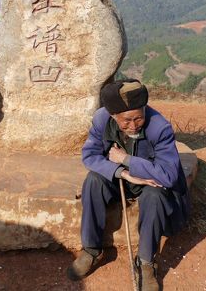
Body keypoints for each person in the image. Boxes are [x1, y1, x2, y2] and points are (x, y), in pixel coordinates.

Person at [67, 79, 190, 290]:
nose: (133, 126)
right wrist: (123, 173)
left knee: (155, 196)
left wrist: (127, 160)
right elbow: (89, 156)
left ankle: (146, 262)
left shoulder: (160, 128)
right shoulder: (101, 119)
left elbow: (168, 175)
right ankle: (91, 250)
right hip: (122, 178)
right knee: (93, 181)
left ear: (145, 110)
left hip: (152, 182)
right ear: (113, 115)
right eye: (126, 121)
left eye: (138, 118)